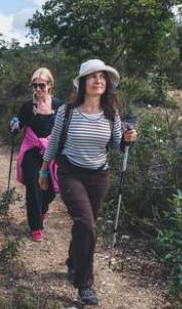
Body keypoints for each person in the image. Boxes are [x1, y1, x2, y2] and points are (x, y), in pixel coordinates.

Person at [39, 59, 138, 305]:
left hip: (99, 176)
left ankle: (74, 261)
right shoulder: (68, 111)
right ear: (83, 82)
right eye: (92, 77)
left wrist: (128, 139)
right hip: (70, 172)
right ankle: (84, 284)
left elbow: (117, 146)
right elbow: (53, 142)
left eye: (102, 77)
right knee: (87, 225)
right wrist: (43, 170)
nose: (98, 81)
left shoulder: (111, 113)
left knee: (86, 225)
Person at [10, 67, 62, 242]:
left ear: (50, 85)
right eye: (35, 86)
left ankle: (42, 209)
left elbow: (65, 129)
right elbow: (18, 125)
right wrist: (14, 125)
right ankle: (36, 226)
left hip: (51, 151)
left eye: (42, 85)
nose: (38, 89)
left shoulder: (59, 106)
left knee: (51, 189)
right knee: (33, 186)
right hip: (32, 151)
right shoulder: (28, 106)